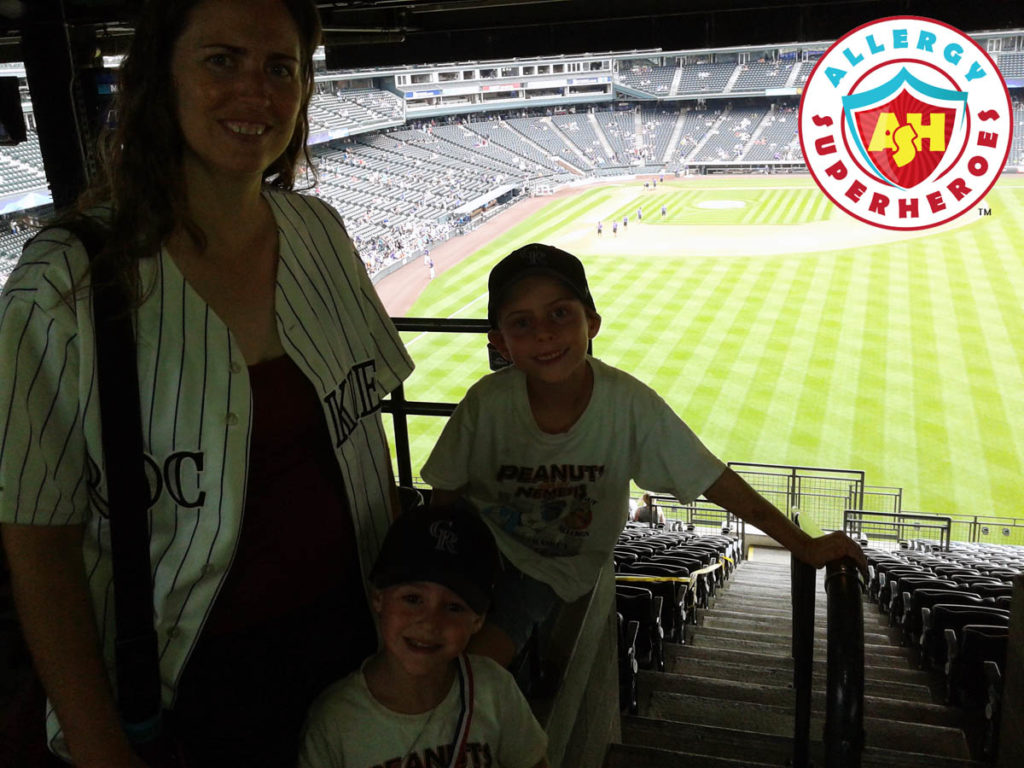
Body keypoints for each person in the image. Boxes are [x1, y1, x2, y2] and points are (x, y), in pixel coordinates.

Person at [0, 1, 413, 766]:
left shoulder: (321, 232)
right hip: (180, 701)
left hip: (351, 663)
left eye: (279, 68)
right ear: (161, 79)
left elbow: (365, 453)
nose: (255, 91)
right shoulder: (62, 282)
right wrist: (98, 747)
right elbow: (39, 545)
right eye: (222, 60)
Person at [421, 243, 866, 665]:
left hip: (554, 568)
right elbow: (444, 493)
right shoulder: (486, 402)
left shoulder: (628, 403)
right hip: (477, 548)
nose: (544, 333)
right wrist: (442, 568)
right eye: (522, 322)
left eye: (560, 313)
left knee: (481, 658)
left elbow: (711, 478)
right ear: (500, 343)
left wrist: (802, 544)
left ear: (591, 323)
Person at [298, 503, 549, 768]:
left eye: (453, 607)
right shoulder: (335, 720)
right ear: (378, 598)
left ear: (478, 620)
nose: (430, 623)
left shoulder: (493, 689)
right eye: (413, 599)